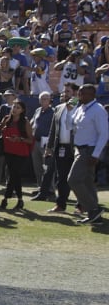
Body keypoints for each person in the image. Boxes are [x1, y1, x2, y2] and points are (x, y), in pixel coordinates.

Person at [68, 84, 108, 225]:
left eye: (83, 93)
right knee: (87, 182)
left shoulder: (98, 110)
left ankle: (93, 209)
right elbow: (70, 126)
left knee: (72, 180)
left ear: (92, 95)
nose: (79, 96)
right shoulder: (80, 108)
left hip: (89, 150)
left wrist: (96, 154)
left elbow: (104, 134)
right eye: (79, 93)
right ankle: (95, 216)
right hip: (79, 149)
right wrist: (70, 110)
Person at [0, 99, 34, 211]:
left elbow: (30, 140)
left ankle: (6, 198)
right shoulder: (7, 119)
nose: (15, 109)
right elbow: (1, 128)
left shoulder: (25, 122)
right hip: (9, 151)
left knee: (13, 175)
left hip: (21, 152)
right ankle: (20, 200)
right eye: (14, 107)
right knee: (14, 176)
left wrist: (19, 139)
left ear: (22, 110)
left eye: (18, 108)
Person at [46, 83, 79, 213]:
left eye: (68, 91)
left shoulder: (80, 107)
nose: (65, 94)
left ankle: (81, 205)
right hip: (61, 147)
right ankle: (61, 204)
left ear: (75, 93)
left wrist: (74, 103)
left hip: (76, 147)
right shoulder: (58, 108)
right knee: (61, 177)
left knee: (77, 177)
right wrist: (49, 146)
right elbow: (53, 129)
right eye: (64, 91)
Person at [29, 91, 55, 201]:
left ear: (50, 101)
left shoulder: (53, 112)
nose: (43, 100)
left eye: (46, 99)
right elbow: (32, 123)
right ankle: (41, 188)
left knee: (47, 167)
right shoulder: (37, 111)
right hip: (36, 141)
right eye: (42, 99)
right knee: (37, 167)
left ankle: (50, 190)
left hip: (47, 143)